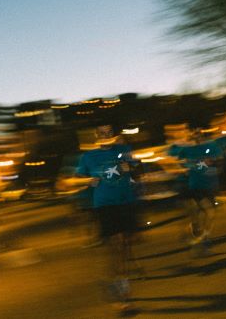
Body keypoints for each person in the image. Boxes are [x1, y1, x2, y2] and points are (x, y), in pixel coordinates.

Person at [76, 124, 140, 313]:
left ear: (114, 134)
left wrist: (131, 169)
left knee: (124, 245)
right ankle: (123, 293)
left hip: (125, 202)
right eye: (101, 132)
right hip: (105, 205)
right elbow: (75, 179)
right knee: (116, 245)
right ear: (96, 135)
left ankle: (119, 282)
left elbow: (137, 171)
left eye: (109, 132)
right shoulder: (88, 156)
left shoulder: (124, 150)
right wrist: (86, 181)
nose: (105, 135)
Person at [168, 129, 223, 256]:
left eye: (200, 135)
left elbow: (219, 160)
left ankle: (201, 238)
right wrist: (185, 169)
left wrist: (215, 165)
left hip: (209, 186)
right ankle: (202, 240)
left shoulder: (210, 147)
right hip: (196, 186)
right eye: (194, 136)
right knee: (209, 211)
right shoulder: (187, 150)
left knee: (209, 214)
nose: (197, 138)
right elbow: (178, 162)